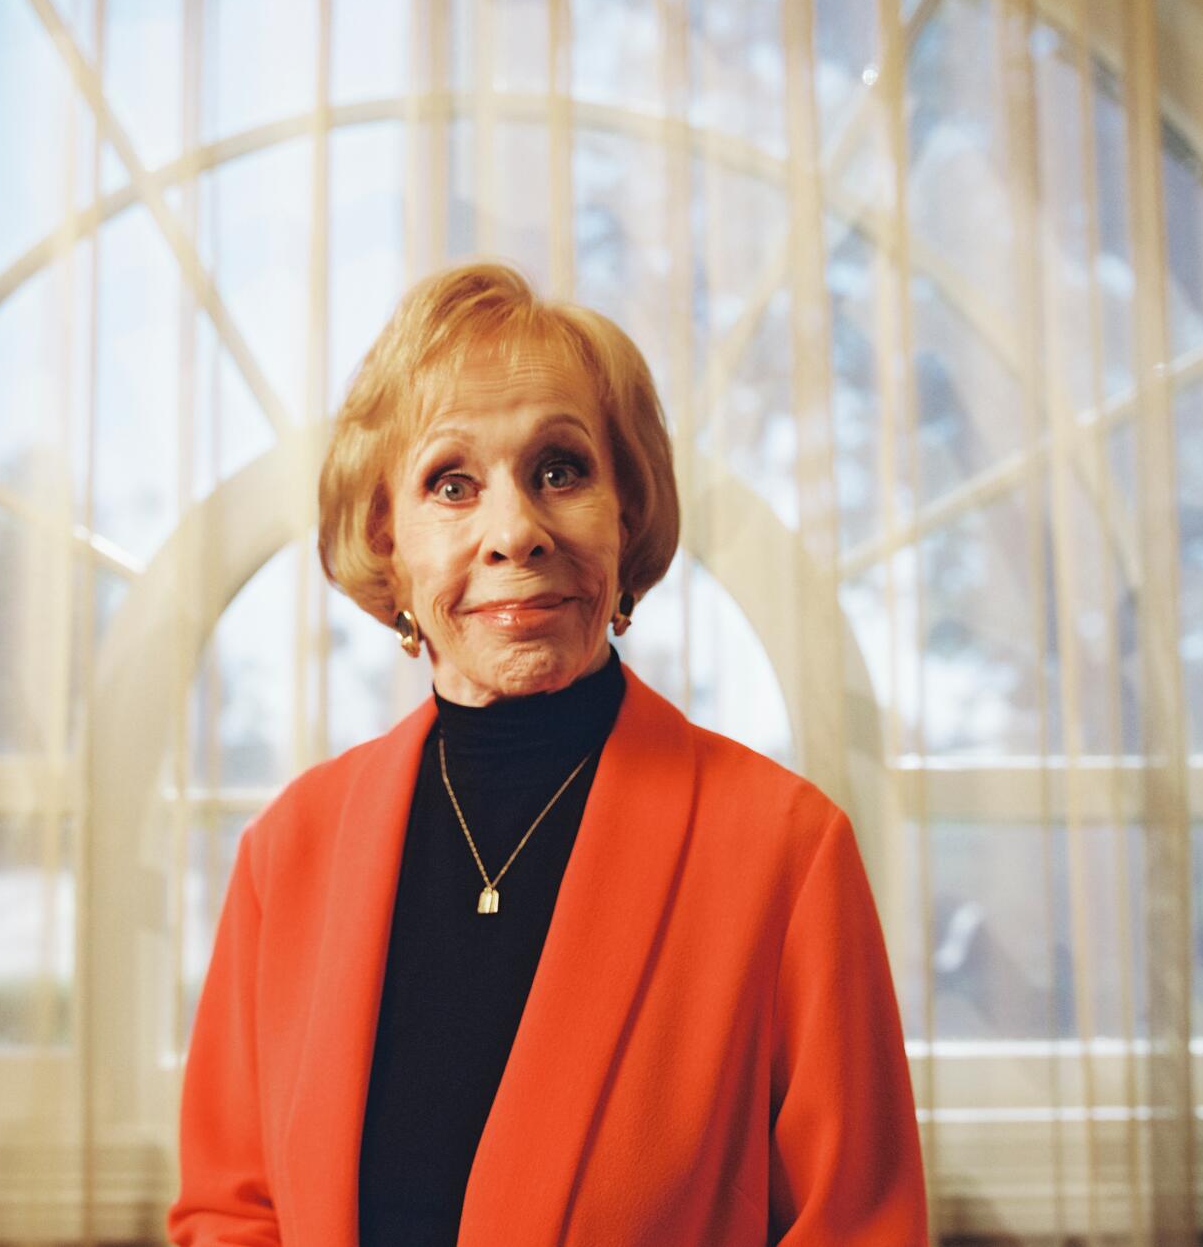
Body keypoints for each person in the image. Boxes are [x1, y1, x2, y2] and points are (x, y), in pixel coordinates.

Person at [168, 262, 926, 1245]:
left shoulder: (786, 848)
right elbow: (231, 1211)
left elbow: (858, 1227)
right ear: (386, 539)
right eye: (452, 483)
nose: (514, 531)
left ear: (627, 512)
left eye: (559, 470)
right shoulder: (290, 848)